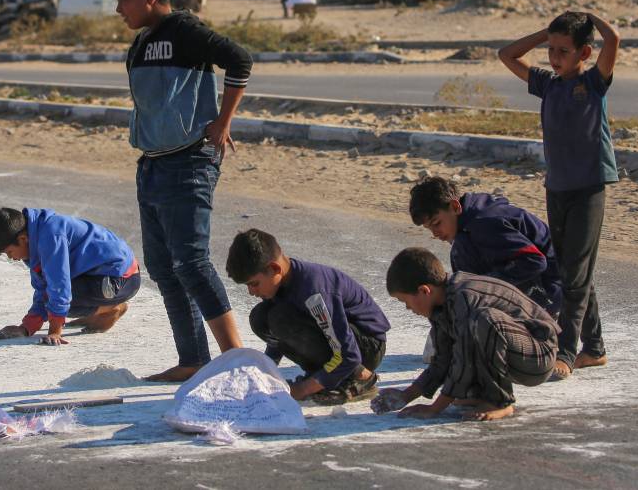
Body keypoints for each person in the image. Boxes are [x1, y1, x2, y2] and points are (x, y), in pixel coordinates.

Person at [111, 0, 253, 382]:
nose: (119, 10)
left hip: (189, 161)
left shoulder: (185, 31)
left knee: (191, 263)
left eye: (124, 0)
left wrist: (223, 121)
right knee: (164, 267)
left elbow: (239, 61)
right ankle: (193, 361)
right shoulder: (139, 44)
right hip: (152, 166)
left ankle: (237, 361)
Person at [498, 11, 620, 381]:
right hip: (558, 188)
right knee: (571, 269)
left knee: (575, 274)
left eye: (563, 51)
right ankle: (595, 349)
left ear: (584, 53)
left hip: (589, 188)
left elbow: (613, 40)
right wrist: (544, 35)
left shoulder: (595, 82)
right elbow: (506, 55)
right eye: (551, 50)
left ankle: (566, 351)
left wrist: (590, 16)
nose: (554, 57)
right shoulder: (547, 84)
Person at [374, 248, 559, 422]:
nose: (408, 308)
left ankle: (499, 401)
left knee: (483, 320)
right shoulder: (441, 307)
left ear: (424, 291)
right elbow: (442, 360)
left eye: (405, 301)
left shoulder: (464, 298)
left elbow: (463, 359)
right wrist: (407, 395)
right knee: (469, 336)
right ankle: (479, 394)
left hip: (539, 354)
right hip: (515, 353)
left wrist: (435, 408)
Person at [225, 229, 390, 405]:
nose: (251, 292)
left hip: (367, 347)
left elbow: (348, 355)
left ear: (275, 269)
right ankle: (325, 374)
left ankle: (361, 377)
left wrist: (304, 389)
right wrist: (266, 374)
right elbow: (277, 340)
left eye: (254, 284)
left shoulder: (313, 293)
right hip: (339, 342)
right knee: (260, 318)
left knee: (280, 318)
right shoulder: (282, 284)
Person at [0, 207, 140, 345]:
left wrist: (55, 330)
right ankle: (103, 310)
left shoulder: (50, 236)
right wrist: (26, 328)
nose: (11, 258)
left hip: (123, 278)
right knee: (53, 302)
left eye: (9, 252)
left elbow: (59, 285)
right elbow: (43, 288)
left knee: (59, 301)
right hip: (97, 276)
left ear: (22, 239)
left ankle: (112, 307)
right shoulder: (33, 242)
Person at [409, 176, 562, 316]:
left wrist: (483, 286)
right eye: (429, 228)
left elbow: (534, 261)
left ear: (455, 207)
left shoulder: (484, 224)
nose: (435, 233)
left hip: (551, 286)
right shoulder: (468, 223)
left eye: (437, 223)